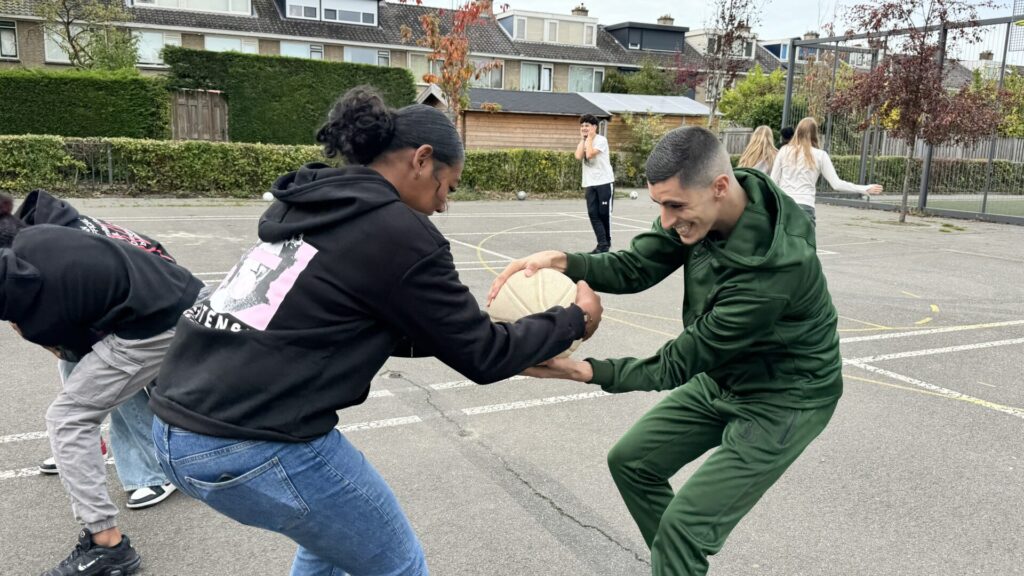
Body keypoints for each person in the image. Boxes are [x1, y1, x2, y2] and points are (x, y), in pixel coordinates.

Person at [147, 86, 604, 576]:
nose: (443, 206)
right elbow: (483, 356)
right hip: (251, 439)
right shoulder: (398, 231)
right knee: (397, 563)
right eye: (446, 187)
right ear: (422, 160)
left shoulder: (314, 203)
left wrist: (477, 336)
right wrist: (574, 319)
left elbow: (351, 321)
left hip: (174, 426)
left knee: (329, 545)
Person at [488, 126, 843, 576]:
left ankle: (677, 560)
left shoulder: (775, 268)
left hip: (785, 399)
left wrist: (586, 370)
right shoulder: (708, 208)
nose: (667, 219)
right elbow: (637, 265)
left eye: (674, 206)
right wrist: (561, 261)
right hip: (726, 376)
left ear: (719, 187)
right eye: (660, 205)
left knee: (683, 532)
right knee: (632, 463)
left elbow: (681, 360)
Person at [0, 221, 203, 576]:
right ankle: (97, 448)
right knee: (85, 371)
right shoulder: (37, 235)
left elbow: (65, 345)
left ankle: (108, 546)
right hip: (168, 295)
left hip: (160, 319)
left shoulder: (35, 297)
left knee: (68, 417)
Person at [12, 189, 178, 509]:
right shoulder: (49, 231)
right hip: (132, 301)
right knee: (76, 365)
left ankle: (152, 471)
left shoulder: (59, 247)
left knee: (110, 376)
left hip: (158, 306)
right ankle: (85, 445)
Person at [770, 117, 882, 223]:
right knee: (805, 243)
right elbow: (837, 184)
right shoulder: (820, 155)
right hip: (805, 205)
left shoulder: (784, 151)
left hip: (784, 205)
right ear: (815, 134)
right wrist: (864, 188)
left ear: (797, 131)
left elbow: (772, 182)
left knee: (783, 243)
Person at [575, 114, 615, 253]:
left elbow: (590, 154)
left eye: (587, 125)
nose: (584, 128)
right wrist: (583, 139)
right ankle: (602, 245)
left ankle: (606, 242)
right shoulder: (584, 141)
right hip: (590, 183)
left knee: (603, 213)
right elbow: (578, 156)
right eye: (582, 126)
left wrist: (590, 139)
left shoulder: (601, 140)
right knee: (593, 214)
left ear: (594, 127)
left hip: (604, 182)